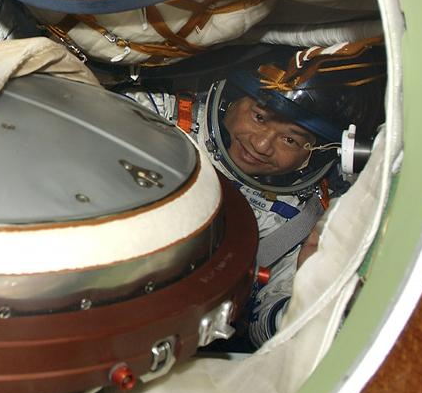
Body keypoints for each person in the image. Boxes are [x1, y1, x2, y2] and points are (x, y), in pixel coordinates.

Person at [126, 40, 386, 348]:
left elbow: (271, 331)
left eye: (290, 139)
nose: (262, 145)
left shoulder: (299, 224)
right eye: (260, 117)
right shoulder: (157, 118)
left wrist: (316, 290)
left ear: (313, 154)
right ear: (233, 101)